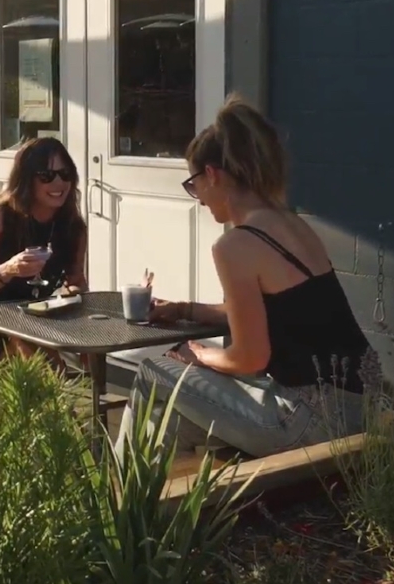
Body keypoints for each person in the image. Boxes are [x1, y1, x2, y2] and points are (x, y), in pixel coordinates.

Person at [116, 96, 375, 459]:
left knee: (152, 371)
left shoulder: (236, 244)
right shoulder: (292, 225)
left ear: (212, 174)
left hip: (309, 418)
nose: (199, 199)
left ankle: (121, 508)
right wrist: (185, 309)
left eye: (194, 185)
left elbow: (250, 357)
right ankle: (159, 509)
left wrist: (199, 354)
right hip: (361, 407)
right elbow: (278, 312)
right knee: (169, 412)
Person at [0, 137, 88, 359]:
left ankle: (94, 386)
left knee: (82, 346)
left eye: (65, 174)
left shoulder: (72, 227)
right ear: (27, 180)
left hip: (38, 320)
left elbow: (76, 281)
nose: (59, 183)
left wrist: (73, 301)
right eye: (47, 176)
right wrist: (8, 269)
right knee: (45, 362)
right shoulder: (1, 217)